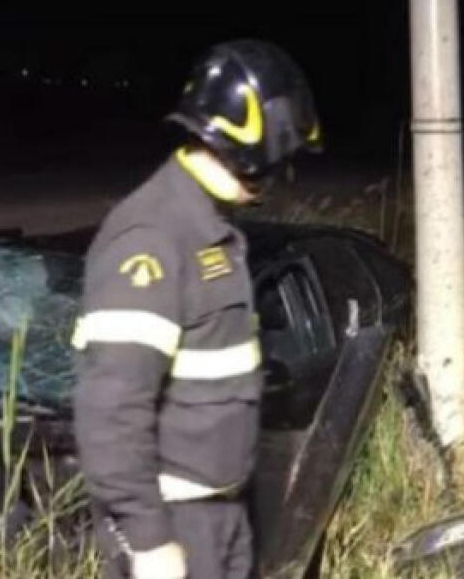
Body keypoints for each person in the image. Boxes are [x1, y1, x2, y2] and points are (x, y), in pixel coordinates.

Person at [70, 39, 322, 579]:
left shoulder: (211, 226)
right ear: (262, 144)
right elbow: (110, 408)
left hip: (219, 514)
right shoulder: (153, 237)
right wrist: (148, 540)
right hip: (175, 527)